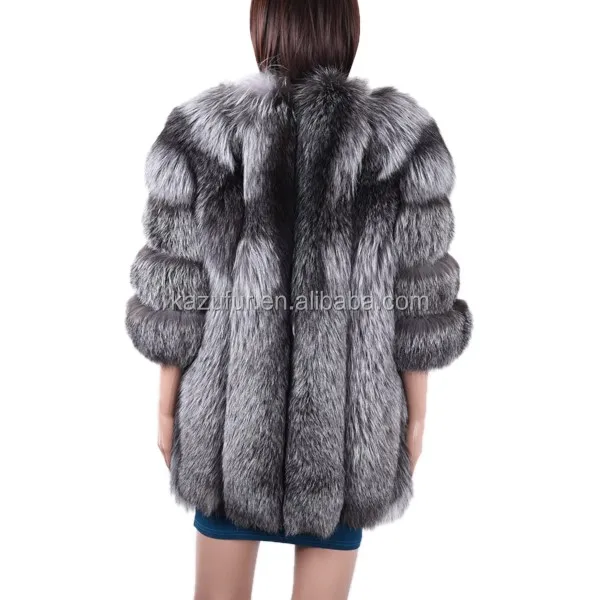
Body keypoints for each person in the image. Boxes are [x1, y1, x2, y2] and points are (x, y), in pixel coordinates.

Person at [125, 0, 472, 597]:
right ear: (348, 28)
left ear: (262, 26)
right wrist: (415, 419)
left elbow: (174, 297)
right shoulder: (399, 144)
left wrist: (166, 408)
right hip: (344, 444)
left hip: (229, 434)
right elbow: (419, 304)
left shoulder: (205, 136)